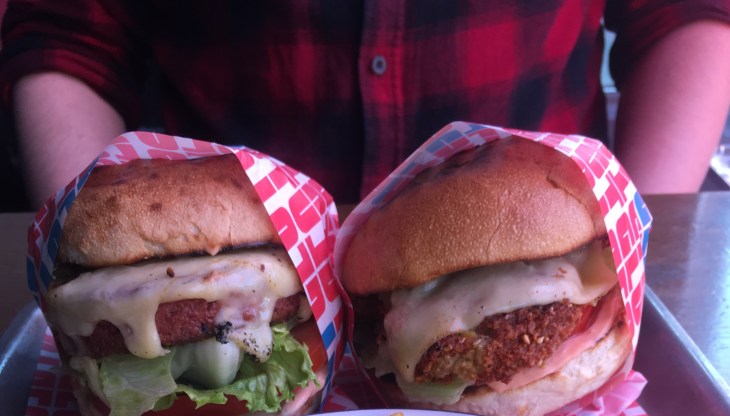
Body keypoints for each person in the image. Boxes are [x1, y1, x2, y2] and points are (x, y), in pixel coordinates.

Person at [1, 0, 729, 210]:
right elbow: (67, 34)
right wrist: (104, 258)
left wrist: (640, 237)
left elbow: (686, 15)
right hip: (224, 267)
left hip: (554, 232)